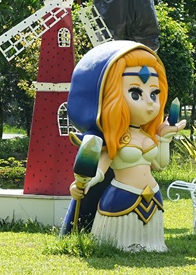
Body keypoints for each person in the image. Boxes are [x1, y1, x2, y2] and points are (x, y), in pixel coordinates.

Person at [63, 40, 186, 251]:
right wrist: (83, 185)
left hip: (152, 196)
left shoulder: (148, 136)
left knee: (151, 247)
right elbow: (100, 171)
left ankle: (153, 247)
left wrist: (164, 139)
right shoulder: (116, 137)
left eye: (154, 94)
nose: (149, 102)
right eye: (136, 94)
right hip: (121, 198)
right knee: (122, 244)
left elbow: (159, 164)